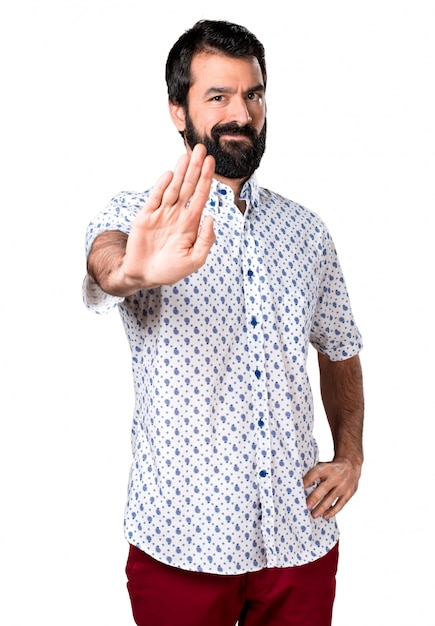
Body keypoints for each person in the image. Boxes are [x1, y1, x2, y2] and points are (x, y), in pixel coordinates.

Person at [83, 19, 364, 626]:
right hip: (181, 544)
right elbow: (107, 265)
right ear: (178, 111)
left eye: (253, 94)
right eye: (218, 96)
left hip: (299, 540)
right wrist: (133, 272)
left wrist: (351, 456)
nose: (242, 112)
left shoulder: (308, 232)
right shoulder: (138, 216)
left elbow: (341, 349)